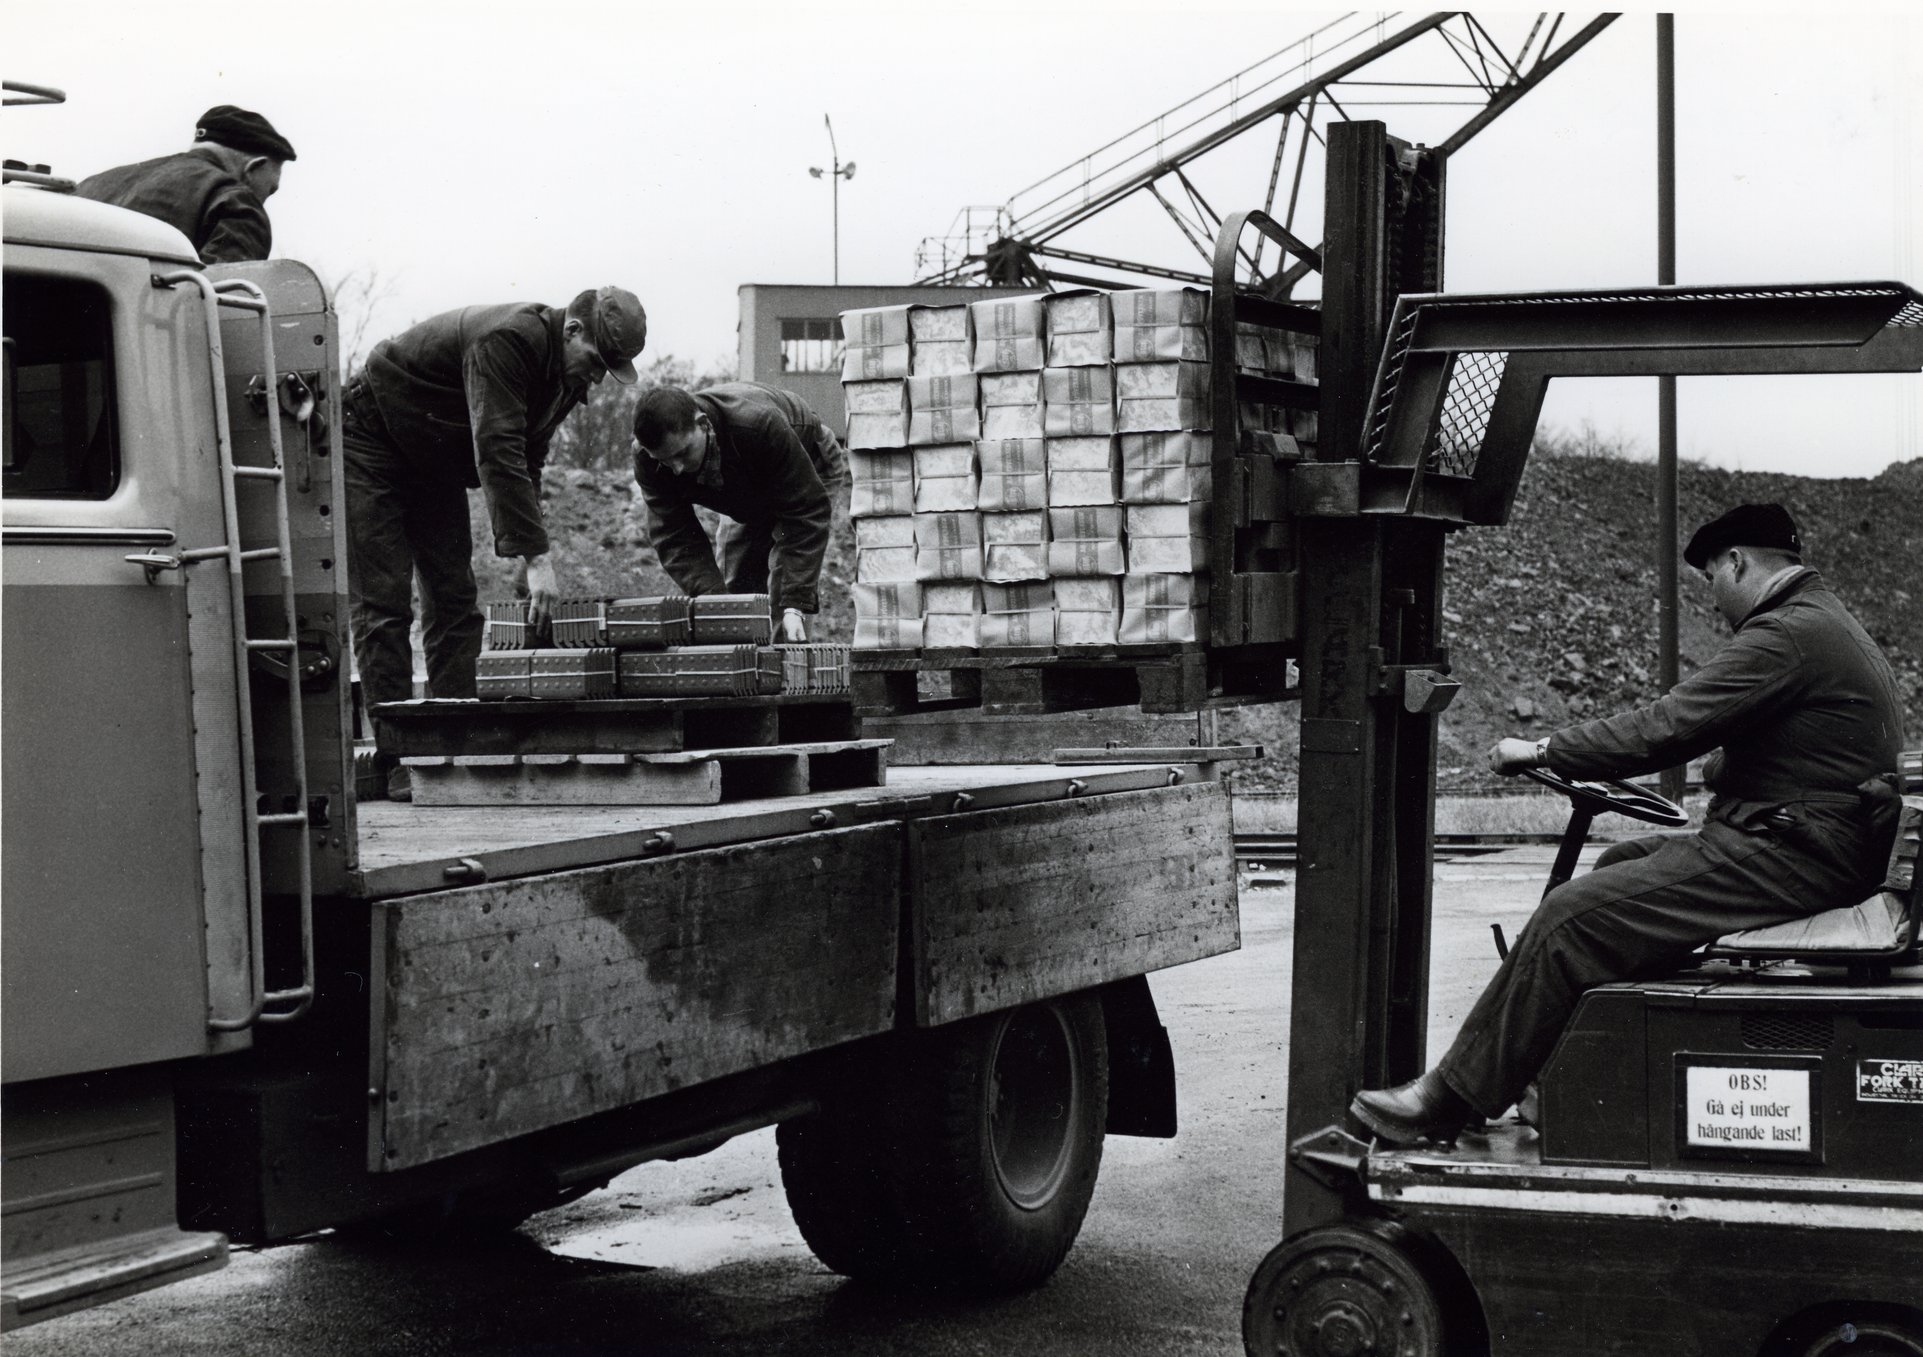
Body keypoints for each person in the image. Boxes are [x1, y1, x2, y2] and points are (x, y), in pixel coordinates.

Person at [1352, 503, 1904, 1144]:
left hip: (1798, 848)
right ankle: (1556, 1077)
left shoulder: (1784, 635)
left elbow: (1664, 728)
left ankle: (1450, 1098)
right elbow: (1776, 747)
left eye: (1711, 581)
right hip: (1809, 837)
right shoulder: (1824, 623)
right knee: (1619, 866)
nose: (1715, 600)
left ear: (1736, 562)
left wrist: (1541, 751)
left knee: (1570, 916)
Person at [344, 287, 648, 800]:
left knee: (454, 599)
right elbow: (497, 445)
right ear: (572, 330)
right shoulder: (510, 340)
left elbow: (528, 461)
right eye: (597, 362)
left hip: (431, 454)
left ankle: (455, 745)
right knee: (384, 602)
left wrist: (524, 555)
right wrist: (537, 558)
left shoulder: (565, 375)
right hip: (372, 438)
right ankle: (398, 759)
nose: (597, 378)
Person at [631, 382, 848, 642]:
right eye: (665, 461)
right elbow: (676, 537)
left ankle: (788, 672)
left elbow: (805, 514)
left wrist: (794, 604)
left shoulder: (759, 425)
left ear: (703, 424)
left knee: (783, 595)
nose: (676, 469)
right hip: (744, 486)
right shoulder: (648, 459)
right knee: (735, 596)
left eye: (683, 453)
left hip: (805, 464)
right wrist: (715, 605)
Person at [75, 105, 296, 264]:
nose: (264, 201)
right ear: (253, 167)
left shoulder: (92, 184)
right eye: (270, 190)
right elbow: (226, 312)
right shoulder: (234, 201)